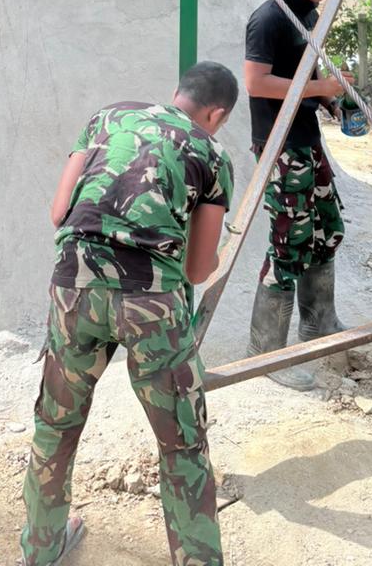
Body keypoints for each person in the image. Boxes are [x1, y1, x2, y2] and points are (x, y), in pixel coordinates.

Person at [20, 61, 238, 566]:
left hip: (73, 286)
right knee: (182, 444)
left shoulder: (108, 118)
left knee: (56, 424)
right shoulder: (210, 151)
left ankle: (41, 548)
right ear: (216, 113)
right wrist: (212, 253)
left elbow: (59, 213)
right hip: (151, 303)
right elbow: (198, 269)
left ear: (175, 93)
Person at [243, 0, 349, 391]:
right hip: (280, 146)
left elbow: (299, 74)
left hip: (306, 139)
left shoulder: (306, 12)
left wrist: (326, 100)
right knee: (288, 244)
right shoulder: (268, 18)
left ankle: (317, 323)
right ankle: (265, 353)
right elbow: (257, 83)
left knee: (326, 230)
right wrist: (319, 90)